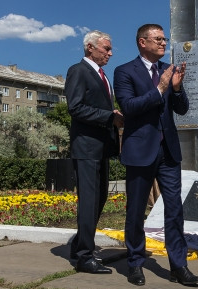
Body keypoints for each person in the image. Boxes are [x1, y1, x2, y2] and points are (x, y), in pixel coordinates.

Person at [113, 24, 198, 286]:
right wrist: (160, 89)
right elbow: (129, 107)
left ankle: (178, 266)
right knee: (136, 210)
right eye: (158, 39)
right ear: (143, 42)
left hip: (168, 152)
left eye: (164, 39)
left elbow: (183, 109)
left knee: (174, 210)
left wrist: (175, 88)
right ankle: (135, 264)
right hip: (140, 150)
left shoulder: (169, 70)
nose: (164, 43)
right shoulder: (124, 71)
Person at [65, 30, 123, 274]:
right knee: (89, 202)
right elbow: (75, 107)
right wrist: (110, 117)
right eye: (106, 49)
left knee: (99, 199)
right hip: (86, 148)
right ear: (90, 47)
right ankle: (84, 257)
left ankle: (80, 244)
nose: (110, 53)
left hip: (101, 148)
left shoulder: (102, 75)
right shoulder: (78, 71)